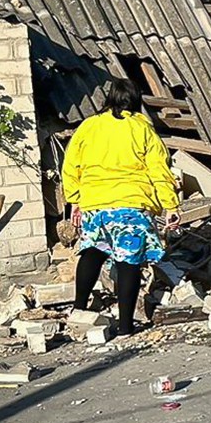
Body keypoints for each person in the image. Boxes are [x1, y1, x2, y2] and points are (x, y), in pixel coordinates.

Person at [62, 79, 179, 337]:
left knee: (92, 252)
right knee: (129, 263)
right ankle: (126, 326)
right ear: (136, 100)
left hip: (95, 204)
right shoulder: (142, 129)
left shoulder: (88, 126)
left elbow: (71, 165)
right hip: (131, 206)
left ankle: (78, 310)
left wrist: (75, 199)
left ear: (109, 98)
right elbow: (159, 168)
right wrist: (170, 205)